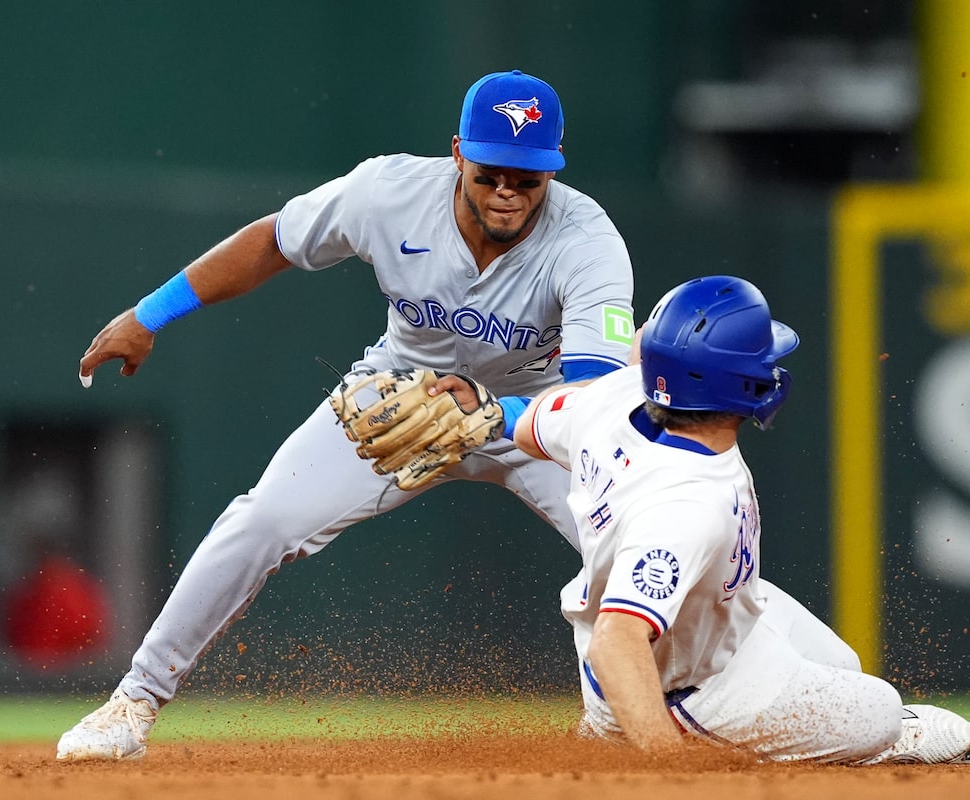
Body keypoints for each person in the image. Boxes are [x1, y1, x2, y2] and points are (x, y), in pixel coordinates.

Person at [57, 69, 638, 761]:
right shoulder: (388, 193)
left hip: (536, 414)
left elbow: (596, 394)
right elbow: (275, 239)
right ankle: (133, 702)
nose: (508, 191)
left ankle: (658, 714)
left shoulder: (587, 239)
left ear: (553, 170)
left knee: (642, 544)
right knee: (262, 518)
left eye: (528, 177)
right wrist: (149, 315)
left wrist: (498, 411)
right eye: (491, 174)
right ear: (458, 152)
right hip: (400, 396)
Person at [501, 275, 970, 761]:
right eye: (763, 360)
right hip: (676, 691)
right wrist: (669, 773)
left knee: (842, 665)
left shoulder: (612, 396)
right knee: (881, 713)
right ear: (740, 384)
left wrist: (486, 410)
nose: (772, 367)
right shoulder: (686, 504)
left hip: (711, 625)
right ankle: (627, 736)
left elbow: (529, 428)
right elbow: (616, 645)